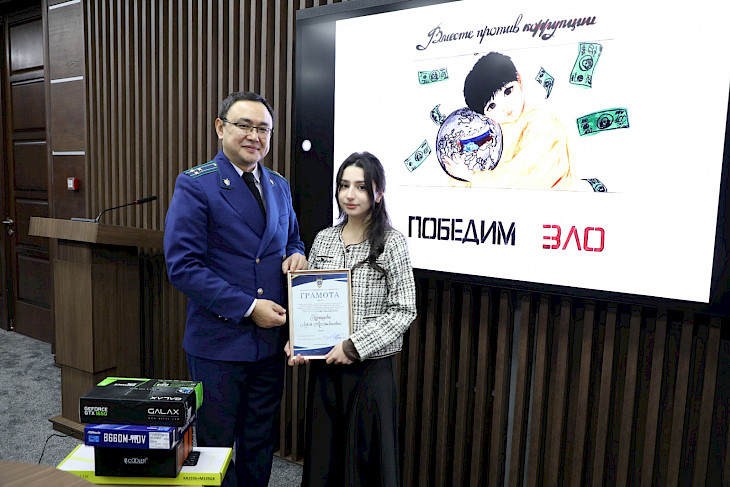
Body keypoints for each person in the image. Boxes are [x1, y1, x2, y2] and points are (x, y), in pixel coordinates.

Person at [164, 91, 307, 487]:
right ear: (220, 127)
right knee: (217, 448)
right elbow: (183, 267)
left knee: (260, 441)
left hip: (269, 342)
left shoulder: (279, 185)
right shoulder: (197, 184)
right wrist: (248, 307)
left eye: (263, 129)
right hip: (220, 342)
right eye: (244, 125)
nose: (254, 136)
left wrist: (297, 254)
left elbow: (292, 238)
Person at [286, 151, 417, 487]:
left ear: (378, 193)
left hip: (370, 371)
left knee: (365, 465)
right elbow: (308, 299)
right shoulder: (324, 238)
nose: (350, 194)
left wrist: (354, 345)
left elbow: (404, 309)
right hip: (326, 369)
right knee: (324, 460)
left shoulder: (392, 243)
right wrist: (298, 340)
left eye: (361, 187)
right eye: (344, 185)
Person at [445, 51, 575, 189]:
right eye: (492, 106)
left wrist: (472, 177)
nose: (504, 107)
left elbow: (522, 176)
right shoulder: (494, 133)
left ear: (519, 80)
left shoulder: (544, 123)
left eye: (508, 91)